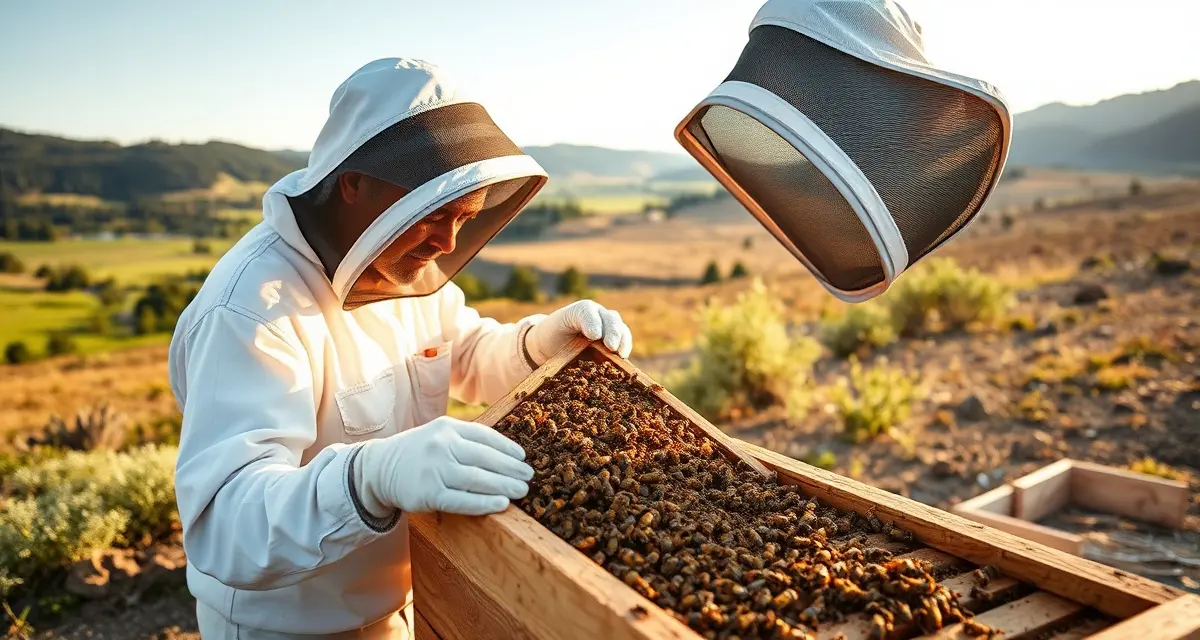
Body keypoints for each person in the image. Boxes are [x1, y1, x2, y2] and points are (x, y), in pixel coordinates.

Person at [167, 57, 633, 639]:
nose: (447, 241)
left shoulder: (401, 263)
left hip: (398, 604)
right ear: (354, 182)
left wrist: (539, 344)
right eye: (434, 213)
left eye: (464, 217)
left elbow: (461, 355)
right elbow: (225, 526)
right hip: (288, 627)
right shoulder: (251, 310)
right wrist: (368, 477)